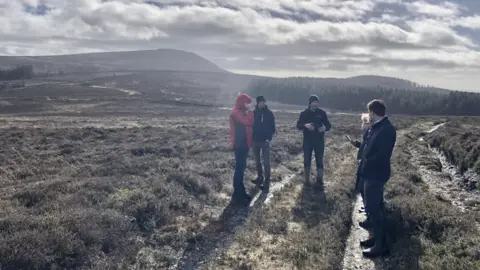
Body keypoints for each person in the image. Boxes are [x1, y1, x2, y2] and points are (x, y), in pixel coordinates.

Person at [357, 99, 397, 258]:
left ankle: (381, 245)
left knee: (374, 209)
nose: (368, 115)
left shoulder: (387, 129)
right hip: (370, 172)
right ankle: (376, 239)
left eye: (369, 112)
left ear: (373, 112)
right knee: (374, 207)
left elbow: (383, 155)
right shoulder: (377, 127)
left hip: (376, 173)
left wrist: (366, 160)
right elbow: (368, 144)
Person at [296, 95, 332, 190]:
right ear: (310, 103)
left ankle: (319, 181)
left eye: (317, 102)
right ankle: (306, 181)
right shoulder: (304, 113)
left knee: (319, 161)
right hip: (307, 141)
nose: (315, 104)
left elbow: (328, 125)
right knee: (307, 161)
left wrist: (324, 128)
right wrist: (305, 125)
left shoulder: (322, 113)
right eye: (314, 102)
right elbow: (298, 125)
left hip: (319, 141)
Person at [229, 93, 255, 206]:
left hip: (244, 144)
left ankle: (240, 192)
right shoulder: (236, 113)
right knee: (239, 169)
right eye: (247, 103)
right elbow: (248, 122)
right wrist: (250, 112)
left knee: (241, 168)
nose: (248, 105)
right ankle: (237, 194)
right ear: (242, 102)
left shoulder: (240, 111)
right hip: (239, 145)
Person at [251, 96, 276, 192]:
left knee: (266, 162)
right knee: (257, 161)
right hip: (255, 141)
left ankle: (267, 182)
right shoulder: (253, 113)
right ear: (257, 103)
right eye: (260, 102)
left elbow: (273, 127)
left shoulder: (269, 114)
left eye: (263, 102)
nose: (262, 103)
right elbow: (250, 126)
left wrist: (268, 138)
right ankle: (259, 177)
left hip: (265, 141)